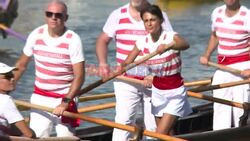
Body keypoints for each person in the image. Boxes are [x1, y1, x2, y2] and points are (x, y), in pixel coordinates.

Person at [96, 0, 173, 140]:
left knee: (153, 125)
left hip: (153, 79)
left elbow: (171, 44)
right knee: (124, 121)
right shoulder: (117, 15)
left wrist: (157, 76)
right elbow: (102, 40)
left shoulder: (159, 15)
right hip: (126, 79)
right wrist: (102, 63)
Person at [14, 0, 85, 137]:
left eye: (58, 15)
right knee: (38, 137)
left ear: (66, 18)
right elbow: (21, 66)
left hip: (65, 98)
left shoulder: (73, 39)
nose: (53, 17)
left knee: (66, 138)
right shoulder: (36, 34)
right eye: (49, 14)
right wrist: (5, 89)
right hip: (40, 98)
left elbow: (80, 76)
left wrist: (65, 102)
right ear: (45, 16)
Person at [120, 5, 192, 135]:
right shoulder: (142, 42)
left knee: (159, 134)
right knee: (168, 134)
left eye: (152, 20)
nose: (149, 23)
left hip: (175, 91)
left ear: (160, 20)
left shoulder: (170, 37)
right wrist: (118, 69)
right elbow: (127, 63)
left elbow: (185, 44)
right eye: (146, 21)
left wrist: (168, 47)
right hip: (157, 92)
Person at [200, 0, 250, 130]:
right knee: (220, 106)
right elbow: (215, 36)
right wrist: (207, 55)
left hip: (243, 68)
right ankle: (220, 134)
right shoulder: (216, 13)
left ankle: (241, 133)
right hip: (222, 67)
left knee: (241, 108)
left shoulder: (247, 16)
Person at [0, 62, 35, 138]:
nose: (13, 79)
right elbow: (28, 134)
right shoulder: (5, 100)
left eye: (12, 75)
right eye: (7, 77)